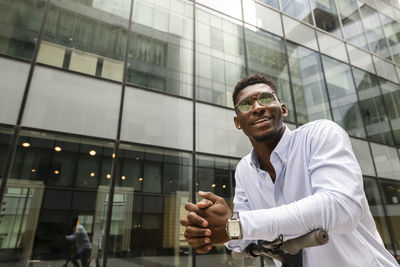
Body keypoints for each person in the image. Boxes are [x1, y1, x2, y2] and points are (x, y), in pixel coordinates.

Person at [180, 75, 399, 266]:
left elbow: (342, 209)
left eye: (265, 98)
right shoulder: (244, 169)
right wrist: (210, 228)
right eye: (246, 104)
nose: (257, 107)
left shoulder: (321, 134)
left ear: (283, 109)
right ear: (238, 122)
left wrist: (237, 224)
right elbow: (242, 239)